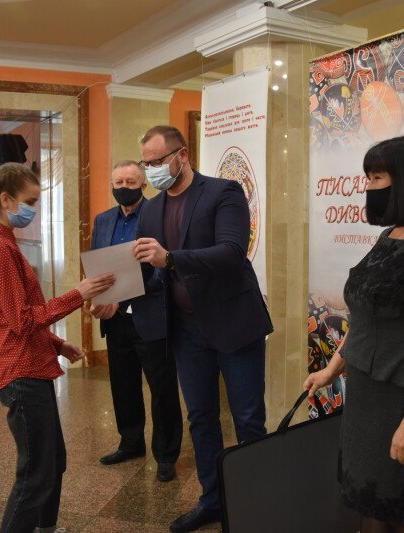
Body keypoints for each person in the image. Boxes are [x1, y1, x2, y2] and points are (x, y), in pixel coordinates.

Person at [304, 136, 404, 533]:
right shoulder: (390, 235)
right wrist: (331, 369)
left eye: (377, 177)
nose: (368, 186)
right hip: (367, 393)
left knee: (399, 508)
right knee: (368, 501)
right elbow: (366, 315)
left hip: (403, 398)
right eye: (368, 177)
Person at [133, 125, 273, 533]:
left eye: (158, 161)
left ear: (182, 154)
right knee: (201, 418)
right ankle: (213, 500)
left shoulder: (223, 192)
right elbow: (150, 271)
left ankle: (256, 504)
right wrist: (116, 295)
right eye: (146, 163)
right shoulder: (150, 210)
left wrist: (171, 259)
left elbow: (231, 252)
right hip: (186, 331)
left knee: (248, 419)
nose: (152, 169)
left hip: (234, 323)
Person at [0, 162, 114, 533]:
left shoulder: (5, 243)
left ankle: (45, 529)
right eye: (29, 201)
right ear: (5, 199)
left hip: (31, 365)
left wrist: (57, 344)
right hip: (20, 372)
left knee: (53, 462)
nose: (33, 209)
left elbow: (18, 316)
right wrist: (78, 294)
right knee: (36, 473)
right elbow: (21, 321)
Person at [90, 160, 182, 482]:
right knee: (123, 384)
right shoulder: (103, 220)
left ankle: (166, 454)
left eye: (131, 182)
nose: (124, 187)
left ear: (143, 185)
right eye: (118, 182)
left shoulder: (159, 215)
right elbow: (98, 266)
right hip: (115, 319)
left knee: (162, 388)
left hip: (151, 315)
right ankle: (130, 442)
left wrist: (122, 297)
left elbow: (163, 270)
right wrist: (98, 298)